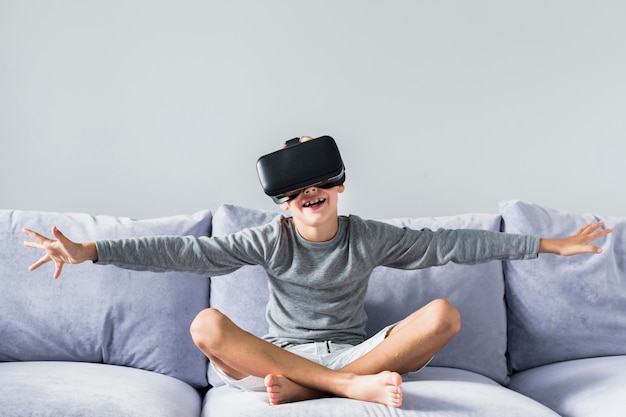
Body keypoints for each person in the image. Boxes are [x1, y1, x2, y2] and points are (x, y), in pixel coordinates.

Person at [23, 137, 612, 408]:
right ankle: (334, 387)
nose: (310, 194)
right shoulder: (268, 239)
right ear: (283, 202)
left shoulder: (368, 236)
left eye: (321, 184)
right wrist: (91, 251)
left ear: (339, 187)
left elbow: (450, 244)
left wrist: (550, 244)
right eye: (296, 190)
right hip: (280, 355)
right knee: (206, 324)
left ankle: (319, 384)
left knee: (444, 313)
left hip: (358, 352)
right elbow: (185, 254)